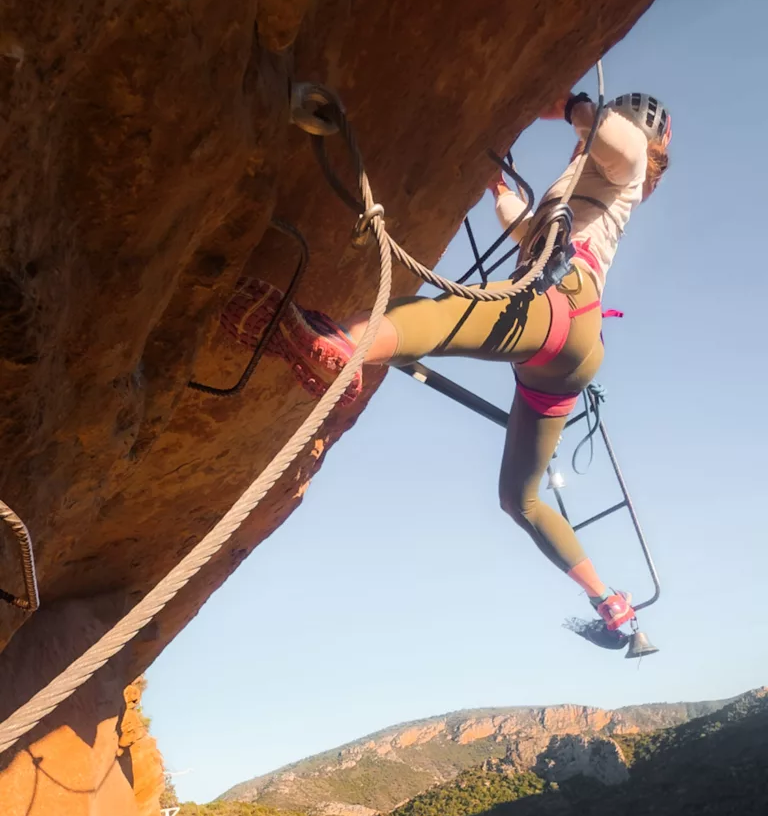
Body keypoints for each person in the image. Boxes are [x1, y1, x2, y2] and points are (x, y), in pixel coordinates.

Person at [219, 92, 671, 633]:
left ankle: (344, 345)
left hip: (561, 305)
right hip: (567, 355)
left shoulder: (625, 165)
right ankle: (608, 599)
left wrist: (571, 104)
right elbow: (528, 232)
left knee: (440, 314)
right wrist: (500, 190)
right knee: (519, 499)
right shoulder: (590, 189)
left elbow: (622, 145)